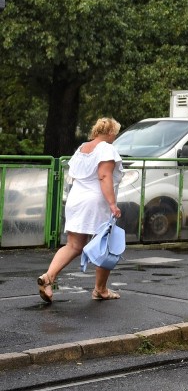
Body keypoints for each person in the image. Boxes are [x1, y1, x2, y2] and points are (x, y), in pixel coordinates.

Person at [37, 118, 124, 303]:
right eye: (115, 133)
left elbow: (74, 176)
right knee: (105, 245)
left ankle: (47, 278)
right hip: (95, 201)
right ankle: (100, 289)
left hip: (76, 199)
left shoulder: (82, 148)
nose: (115, 137)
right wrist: (112, 204)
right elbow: (103, 176)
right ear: (110, 133)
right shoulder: (106, 148)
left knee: (73, 245)